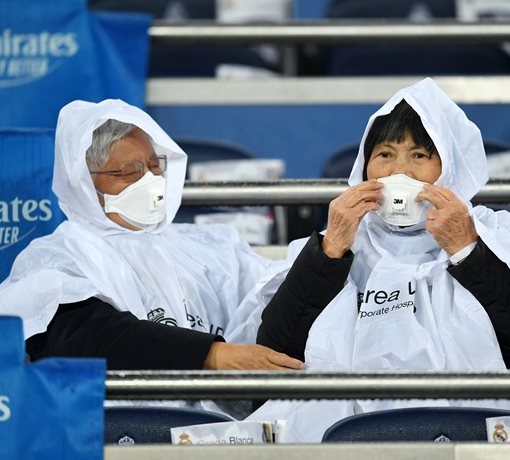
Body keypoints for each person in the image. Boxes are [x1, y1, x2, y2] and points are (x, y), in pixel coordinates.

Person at [225, 78, 510, 441]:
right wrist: (330, 252)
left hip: (475, 437)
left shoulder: (496, 236)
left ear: (449, 168)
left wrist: (467, 250)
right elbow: (276, 355)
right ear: (363, 168)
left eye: (419, 155)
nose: (399, 171)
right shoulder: (333, 244)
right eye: (384, 154)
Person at [0, 99, 303, 372]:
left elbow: (271, 296)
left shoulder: (205, 247)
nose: (150, 181)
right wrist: (215, 355)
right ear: (84, 183)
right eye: (129, 173)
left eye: (155, 167)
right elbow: (85, 336)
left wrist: (325, 253)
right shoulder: (59, 256)